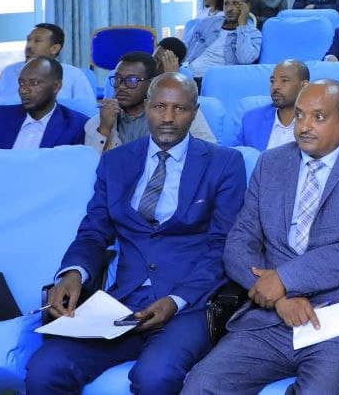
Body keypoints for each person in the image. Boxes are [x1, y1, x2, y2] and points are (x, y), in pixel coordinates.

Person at [26, 73, 248, 394]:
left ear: (195, 112)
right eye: (159, 107)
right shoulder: (116, 162)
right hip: (123, 303)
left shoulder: (224, 163)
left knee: (154, 376)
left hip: (189, 304)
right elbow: (93, 231)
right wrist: (73, 272)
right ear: (146, 107)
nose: (168, 117)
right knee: (46, 368)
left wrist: (175, 301)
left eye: (180, 109)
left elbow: (223, 246)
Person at [182, 81, 339, 395]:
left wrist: (284, 279)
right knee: (200, 386)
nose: (305, 126)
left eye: (318, 117)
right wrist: (279, 297)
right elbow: (239, 243)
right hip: (271, 319)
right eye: (299, 115)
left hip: (338, 323)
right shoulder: (271, 163)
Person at [86, 52, 215, 152]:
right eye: (117, 79)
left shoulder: (180, 113)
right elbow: (90, 168)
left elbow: (209, 152)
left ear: (151, 83)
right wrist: (104, 129)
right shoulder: (98, 122)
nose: (121, 86)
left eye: (132, 80)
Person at [0, 57, 88, 151]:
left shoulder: (76, 125)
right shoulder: (0, 117)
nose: (24, 90)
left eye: (34, 83)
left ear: (56, 86)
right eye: (21, 83)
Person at [0, 23, 94, 113]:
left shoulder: (74, 75)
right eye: (28, 40)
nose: (29, 46)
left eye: (37, 41)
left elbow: (88, 112)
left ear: (54, 49)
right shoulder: (9, 72)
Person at [183, 0, 262, 76]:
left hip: (213, 78)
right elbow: (186, 45)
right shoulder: (208, 22)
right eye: (226, 4)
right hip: (187, 73)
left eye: (235, 3)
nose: (229, 9)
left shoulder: (253, 34)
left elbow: (245, 60)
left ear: (247, 7)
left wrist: (242, 26)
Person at [240, 60, 310, 150]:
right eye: (272, 81)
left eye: (284, 81)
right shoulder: (251, 119)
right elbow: (237, 155)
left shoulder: (316, 122)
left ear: (304, 86)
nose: (275, 87)